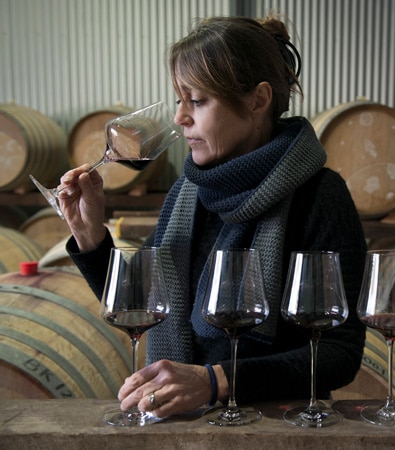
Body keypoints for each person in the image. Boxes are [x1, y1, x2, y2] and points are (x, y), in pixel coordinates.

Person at [59, 15, 367, 419]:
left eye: (198, 101)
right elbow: (136, 304)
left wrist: (213, 380)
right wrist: (89, 234)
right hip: (193, 425)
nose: (179, 118)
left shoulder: (319, 195)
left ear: (258, 100)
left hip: (284, 425)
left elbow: (338, 353)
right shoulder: (187, 194)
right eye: (178, 101)